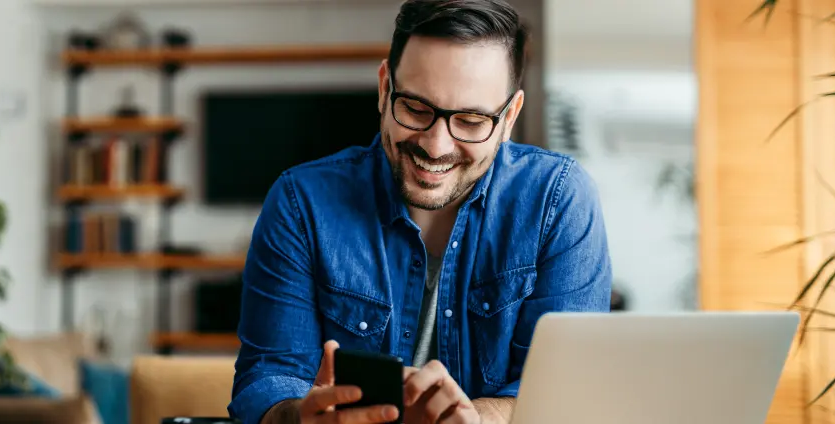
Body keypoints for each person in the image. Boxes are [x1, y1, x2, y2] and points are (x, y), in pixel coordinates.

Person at [228, 1, 612, 423]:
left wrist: (477, 418)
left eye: (469, 120)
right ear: (383, 88)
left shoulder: (558, 201)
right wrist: (301, 416)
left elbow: (570, 391)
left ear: (509, 117)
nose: (436, 146)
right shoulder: (301, 202)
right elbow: (267, 378)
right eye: (415, 108)